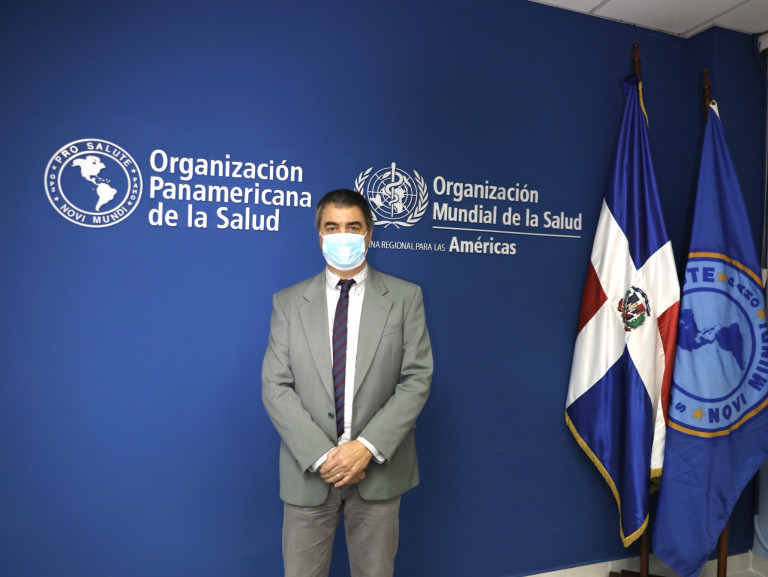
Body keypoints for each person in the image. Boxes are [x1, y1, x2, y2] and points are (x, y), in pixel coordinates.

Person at [262, 188, 433, 577]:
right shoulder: (288, 303)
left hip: (379, 472)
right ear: (320, 235)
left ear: (369, 234)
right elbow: (275, 385)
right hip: (309, 472)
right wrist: (325, 456)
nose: (343, 236)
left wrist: (365, 448)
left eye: (353, 227)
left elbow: (416, 378)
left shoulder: (405, 298)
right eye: (332, 227)